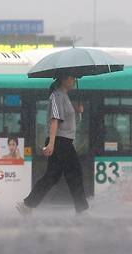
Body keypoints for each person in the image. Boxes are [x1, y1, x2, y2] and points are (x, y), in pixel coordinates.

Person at [16, 73, 89, 215]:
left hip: (64, 141)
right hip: (60, 142)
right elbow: (54, 120)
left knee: (52, 177)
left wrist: (77, 111)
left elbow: (67, 120)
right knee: (75, 174)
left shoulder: (64, 96)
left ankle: (27, 205)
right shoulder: (56, 96)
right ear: (64, 79)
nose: (74, 80)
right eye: (72, 77)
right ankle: (82, 210)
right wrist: (51, 144)